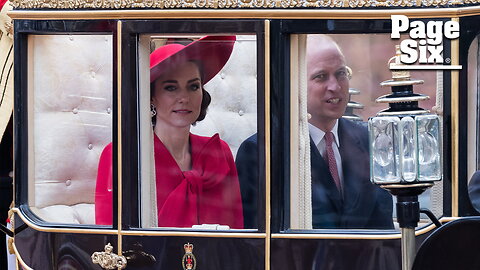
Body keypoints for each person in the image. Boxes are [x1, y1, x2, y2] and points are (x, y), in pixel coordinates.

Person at [236, 34, 393, 229]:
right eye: (321, 77)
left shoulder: (369, 140)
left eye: (341, 74)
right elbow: (258, 239)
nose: (335, 87)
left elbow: (383, 229)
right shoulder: (263, 151)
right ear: (295, 82)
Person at [95, 35, 244, 229]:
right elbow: (110, 236)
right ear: (151, 97)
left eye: (193, 86)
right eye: (171, 88)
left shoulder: (218, 152)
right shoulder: (123, 155)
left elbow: (237, 232)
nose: (184, 97)